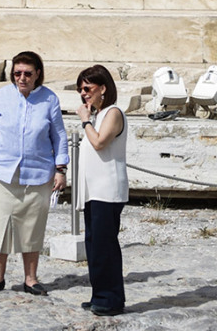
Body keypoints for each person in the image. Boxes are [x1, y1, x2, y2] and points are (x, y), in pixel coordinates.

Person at [0, 50, 68, 296]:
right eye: (17, 73)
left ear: (38, 74)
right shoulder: (2, 96)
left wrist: (61, 169)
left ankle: (31, 279)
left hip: (37, 173)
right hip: (1, 172)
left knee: (31, 226)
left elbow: (59, 136)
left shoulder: (49, 100)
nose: (22, 78)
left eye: (27, 73)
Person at [76, 64, 128, 317]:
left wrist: (85, 120)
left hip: (107, 191)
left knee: (105, 245)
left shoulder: (113, 113)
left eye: (88, 88)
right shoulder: (99, 114)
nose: (84, 94)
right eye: (81, 90)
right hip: (92, 191)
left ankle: (111, 299)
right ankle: (100, 294)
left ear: (103, 88)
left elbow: (99, 142)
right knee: (94, 245)